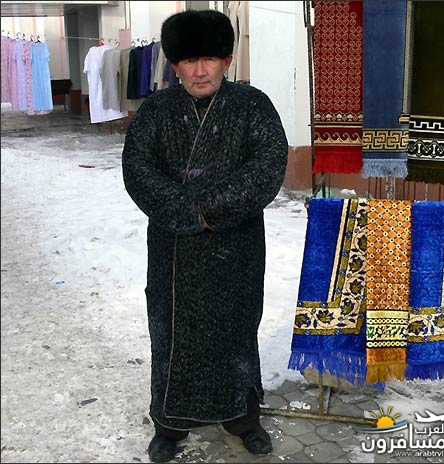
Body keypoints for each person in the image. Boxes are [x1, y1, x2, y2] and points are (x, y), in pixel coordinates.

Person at [121, 9, 288, 463]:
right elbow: (137, 170)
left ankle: (243, 418)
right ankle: (170, 424)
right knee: (171, 335)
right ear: (175, 65)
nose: (199, 71)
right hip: (173, 250)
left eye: (209, 59)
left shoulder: (253, 106)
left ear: (227, 60)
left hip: (237, 248)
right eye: (189, 60)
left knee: (237, 332)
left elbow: (267, 166)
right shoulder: (156, 111)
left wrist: (208, 210)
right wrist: (185, 212)